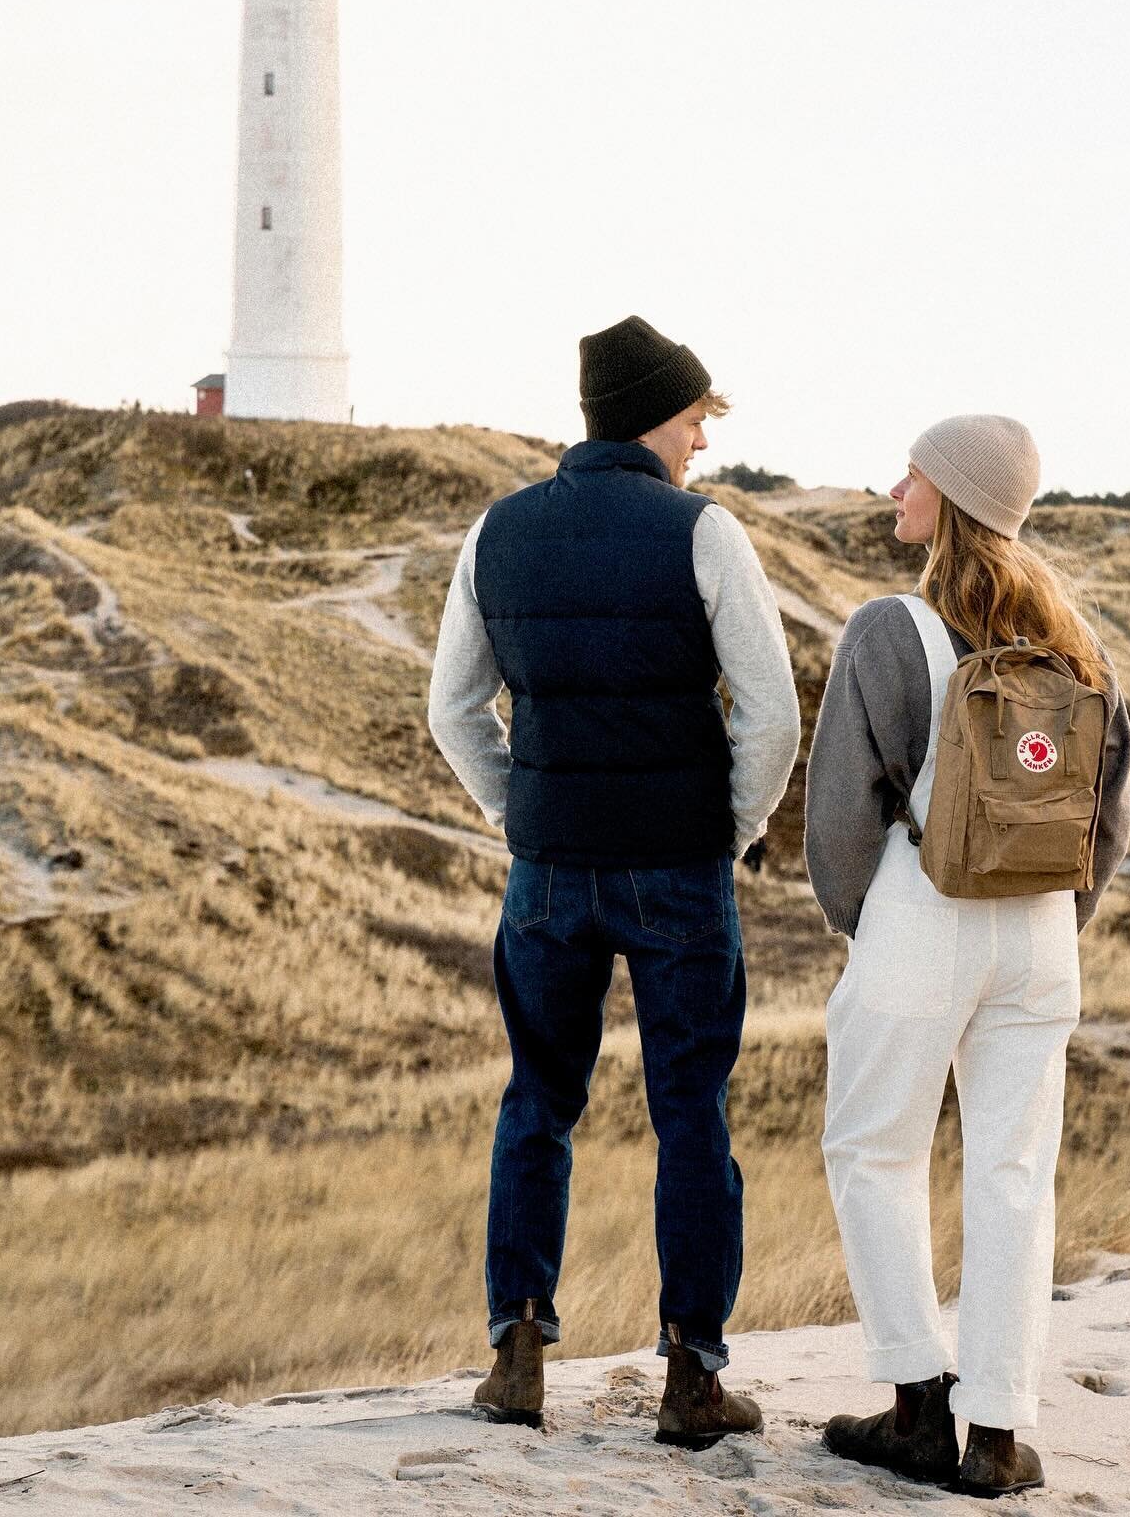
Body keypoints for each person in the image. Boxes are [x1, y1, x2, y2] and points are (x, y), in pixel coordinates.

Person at [429, 315, 801, 1446]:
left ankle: (516, 1358)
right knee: (692, 1109)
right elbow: (773, 714)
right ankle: (693, 1376)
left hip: (549, 872)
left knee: (538, 1101)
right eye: (696, 418)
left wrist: (517, 812)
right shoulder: (705, 534)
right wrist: (725, 832)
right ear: (655, 415)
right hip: (677, 875)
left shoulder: (497, 531)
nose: (702, 441)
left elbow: (454, 710)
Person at [804, 415, 1130, 1497]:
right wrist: (1049, 927)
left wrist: (870, 927)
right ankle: (996, 1434)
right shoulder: (1081, 640)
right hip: (1042, 931)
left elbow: (842, 814)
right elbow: (1108, 817)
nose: (896, 486)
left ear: (952, 497)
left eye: (916, 473)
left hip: (922, 910)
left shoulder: (890, 630)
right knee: (1012, 1177)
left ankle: (913, 1403)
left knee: (873, 1151)